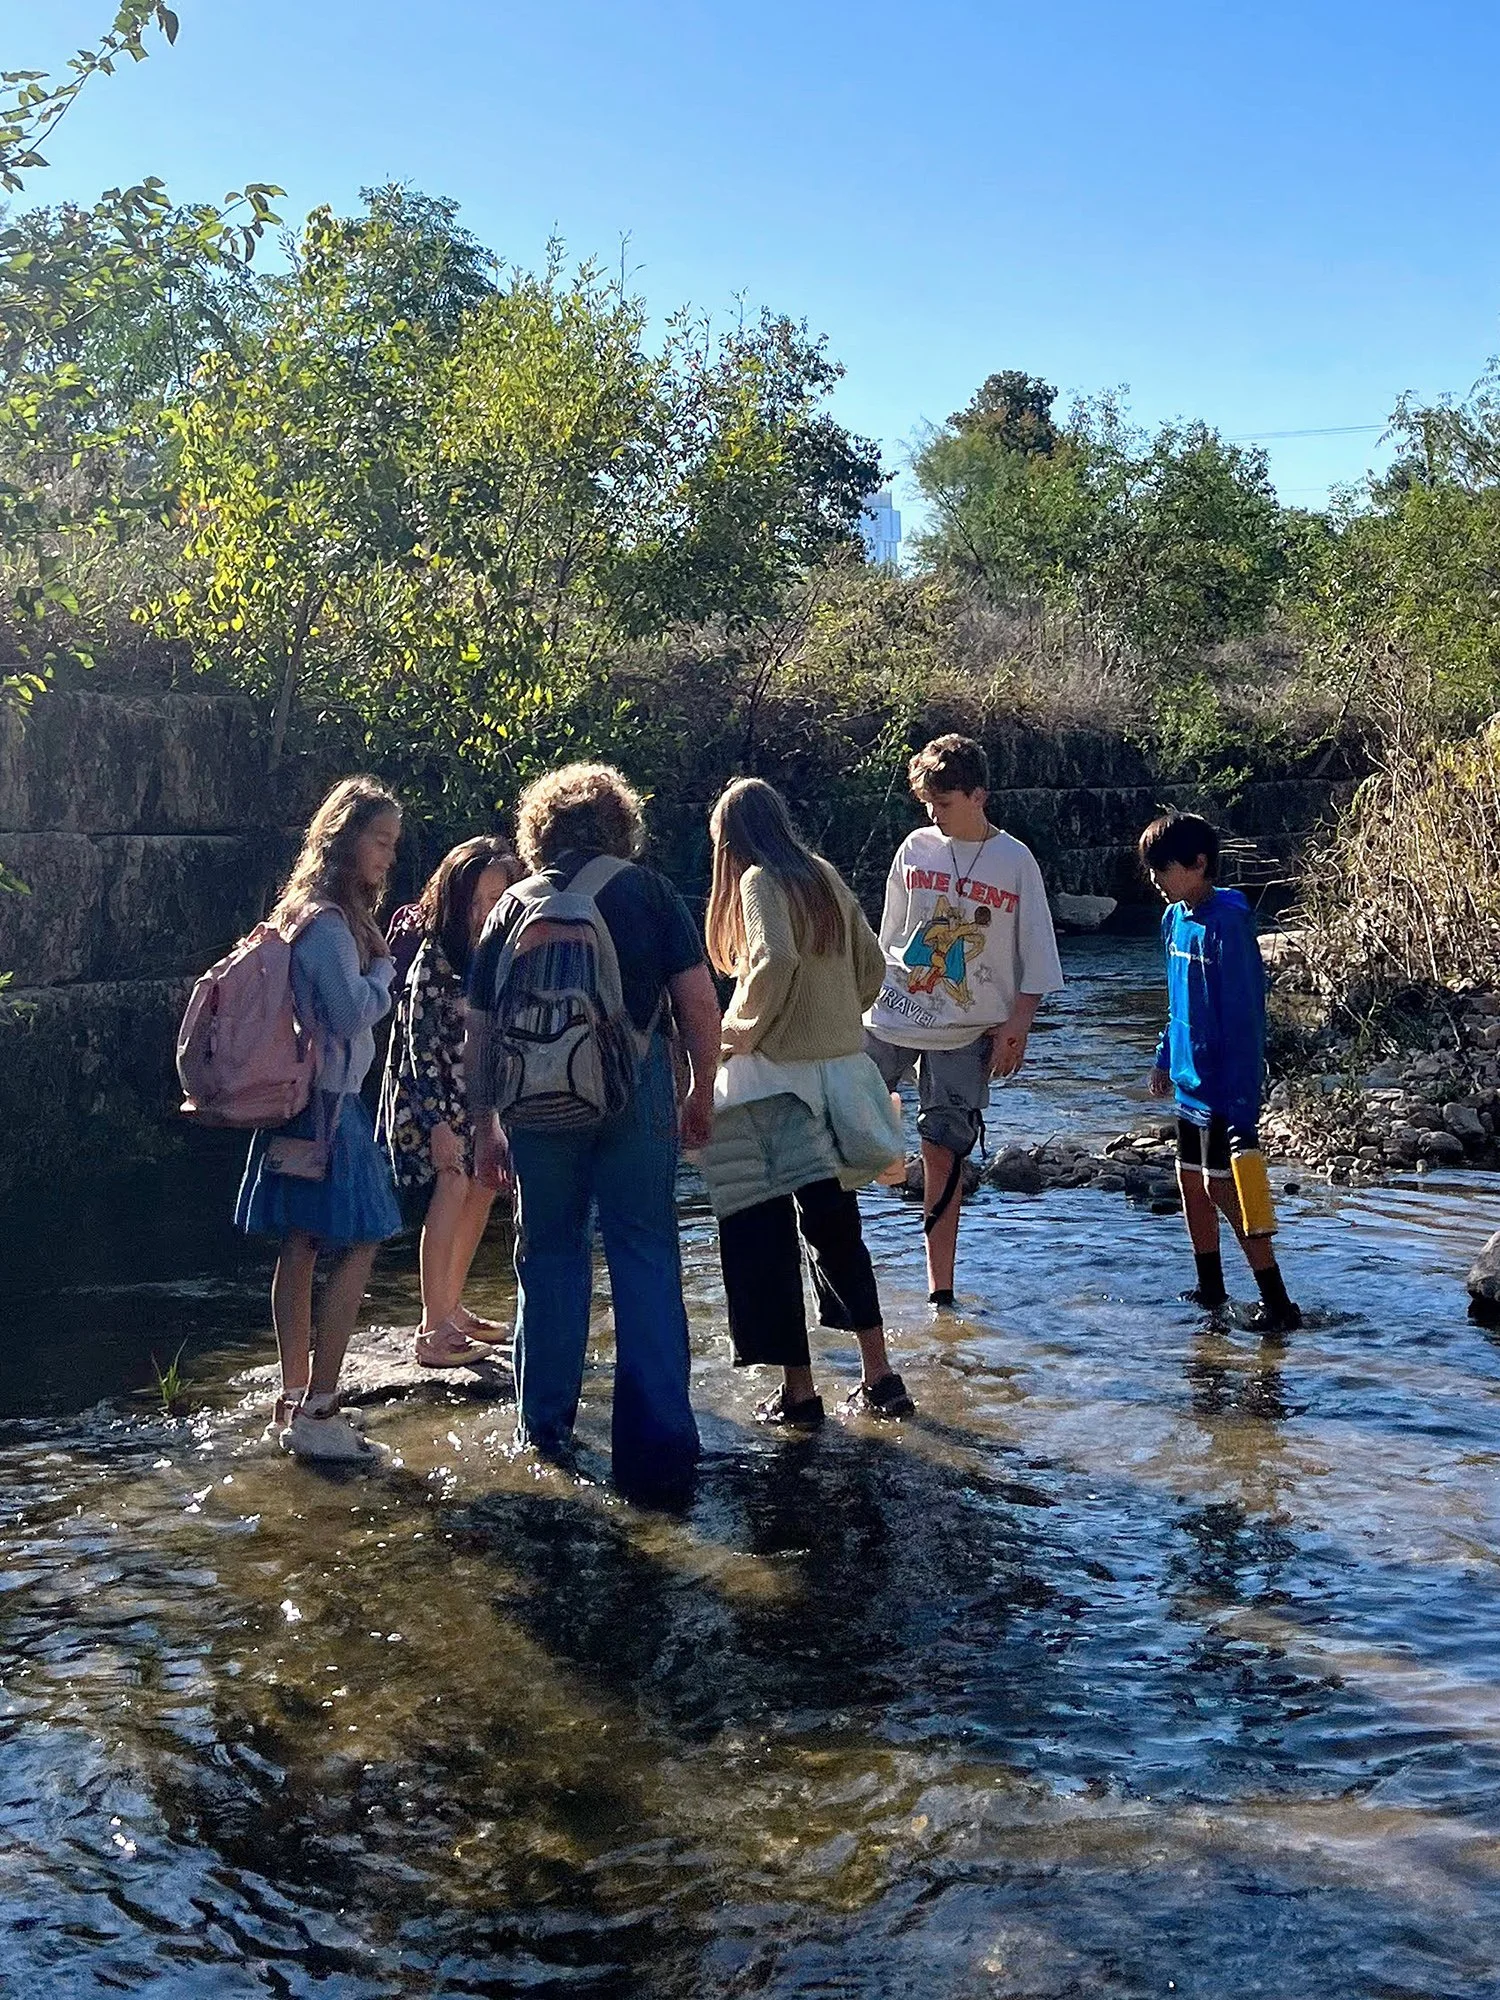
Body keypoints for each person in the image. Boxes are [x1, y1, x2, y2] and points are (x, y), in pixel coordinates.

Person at [465, 763, 720, 1499]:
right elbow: (698, 1003)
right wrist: (702, 1089)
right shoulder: (648, 892)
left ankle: (543, 1431)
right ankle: (661, 1438)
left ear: (537, 830)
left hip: (534, 1103)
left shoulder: (512, 904)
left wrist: (484, 1125)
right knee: (642, 1250)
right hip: (634, 1091)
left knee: (548, 1256)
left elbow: (479, 1030)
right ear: (622, 825)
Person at [698, 779, 914, 1429]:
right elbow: (874, 964)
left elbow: (777, 958)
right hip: (840, 1081)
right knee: (837, 1230)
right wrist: (840, 1018)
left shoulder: (758, 880)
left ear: (730, 842)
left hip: (774, 1087)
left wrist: (736, 1033)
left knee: (763, 1237)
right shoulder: (822, 873)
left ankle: (799, 1392)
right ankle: (880, 1376)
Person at [235, 776, 405, 1461]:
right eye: (381, 841)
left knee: (302, 1244)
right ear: (346, 841)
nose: (388, 857)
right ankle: (322, 1404)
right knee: (363, 1239)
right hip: (330, 1108)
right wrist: (386, 971)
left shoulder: (293, 912)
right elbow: (346, 1012)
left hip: (296, 1104)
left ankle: (294, 1398)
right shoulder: (330, 926)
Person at [864, 733, 1064, 1308]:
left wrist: (1016, 1026)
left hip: (969, 1027)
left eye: (944, 803)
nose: (933, 814)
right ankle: (843, 1258)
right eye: (927, 803)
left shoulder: (1014, 860)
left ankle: (939, 1289)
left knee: (944, 1150)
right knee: (847, 1118)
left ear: (978, 795)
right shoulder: (914, 848)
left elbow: (1037, 954)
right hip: (892, 1013)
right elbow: (889, 938)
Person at [1140, 810, 1302, 1335]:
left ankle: (1277, 1300)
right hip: (1188, 1079)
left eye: (1163, 868)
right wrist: (1165, 1057)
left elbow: (1246, 1015)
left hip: (1223, 1088)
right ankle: (1211, 1286)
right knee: (1190, 1183)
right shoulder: (1174, 919)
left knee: (1223, 1189)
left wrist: (1240, 1101)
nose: (1155, 879)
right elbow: (1177, 1002)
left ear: (1199, 864)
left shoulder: (1228, 925)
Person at [378, 836, 523, 1367]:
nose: (487, 911)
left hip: (475, 1102)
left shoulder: (496, 953)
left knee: (484, 1186)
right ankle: (431, 1325)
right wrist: (438, 1122)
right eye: (477, 900)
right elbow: (417, 1045)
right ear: (456, 899)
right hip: (429, 1101)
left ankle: (452, 1305)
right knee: (453, 1185)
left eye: (498, 898)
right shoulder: (434, 957)